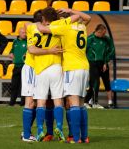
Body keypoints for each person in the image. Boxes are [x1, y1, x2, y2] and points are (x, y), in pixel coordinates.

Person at [37, 8, 91, 143]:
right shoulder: (81, 27)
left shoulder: (63, 28)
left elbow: (43, 29)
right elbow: (88, 17)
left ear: (63, 20)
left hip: (72, 68)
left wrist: (35, 24)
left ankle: (76, 138)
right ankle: (85, 137)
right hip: (85, 67)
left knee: (73, 103)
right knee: (81, 103)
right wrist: (71, 10)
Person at [21, 9, 60, 142]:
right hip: (31, 67)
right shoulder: (36, 28)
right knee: (30, 102)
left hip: (42, 69)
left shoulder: (32, 27)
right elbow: (31, 49)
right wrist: (50, 50)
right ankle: (26, 135)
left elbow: (25, 24)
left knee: (44, 101)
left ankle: (45, 133)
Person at [84, 24, 115, 109]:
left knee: (103, 82)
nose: (104, 35)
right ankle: (94, 102)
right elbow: (83, 51)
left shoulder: (106, 39)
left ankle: (86, 101)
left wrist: (106, 62)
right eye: (103, 33)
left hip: (103, 63)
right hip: (92, 63)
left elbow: (111, 50)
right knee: (95, 82)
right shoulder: (90, 39)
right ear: (98, 31)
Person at [9, 28, 26, 106]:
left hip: (24, 66)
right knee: (14, 85)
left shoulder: (28, 41)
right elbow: (12, 50)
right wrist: (11, 53)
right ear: (19, 33)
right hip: (16, 66)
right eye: (22, 32)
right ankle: (12, 102)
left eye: (25, 33)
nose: (24, 34)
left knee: (24, 85)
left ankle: (22, 103)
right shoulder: (15, 41)